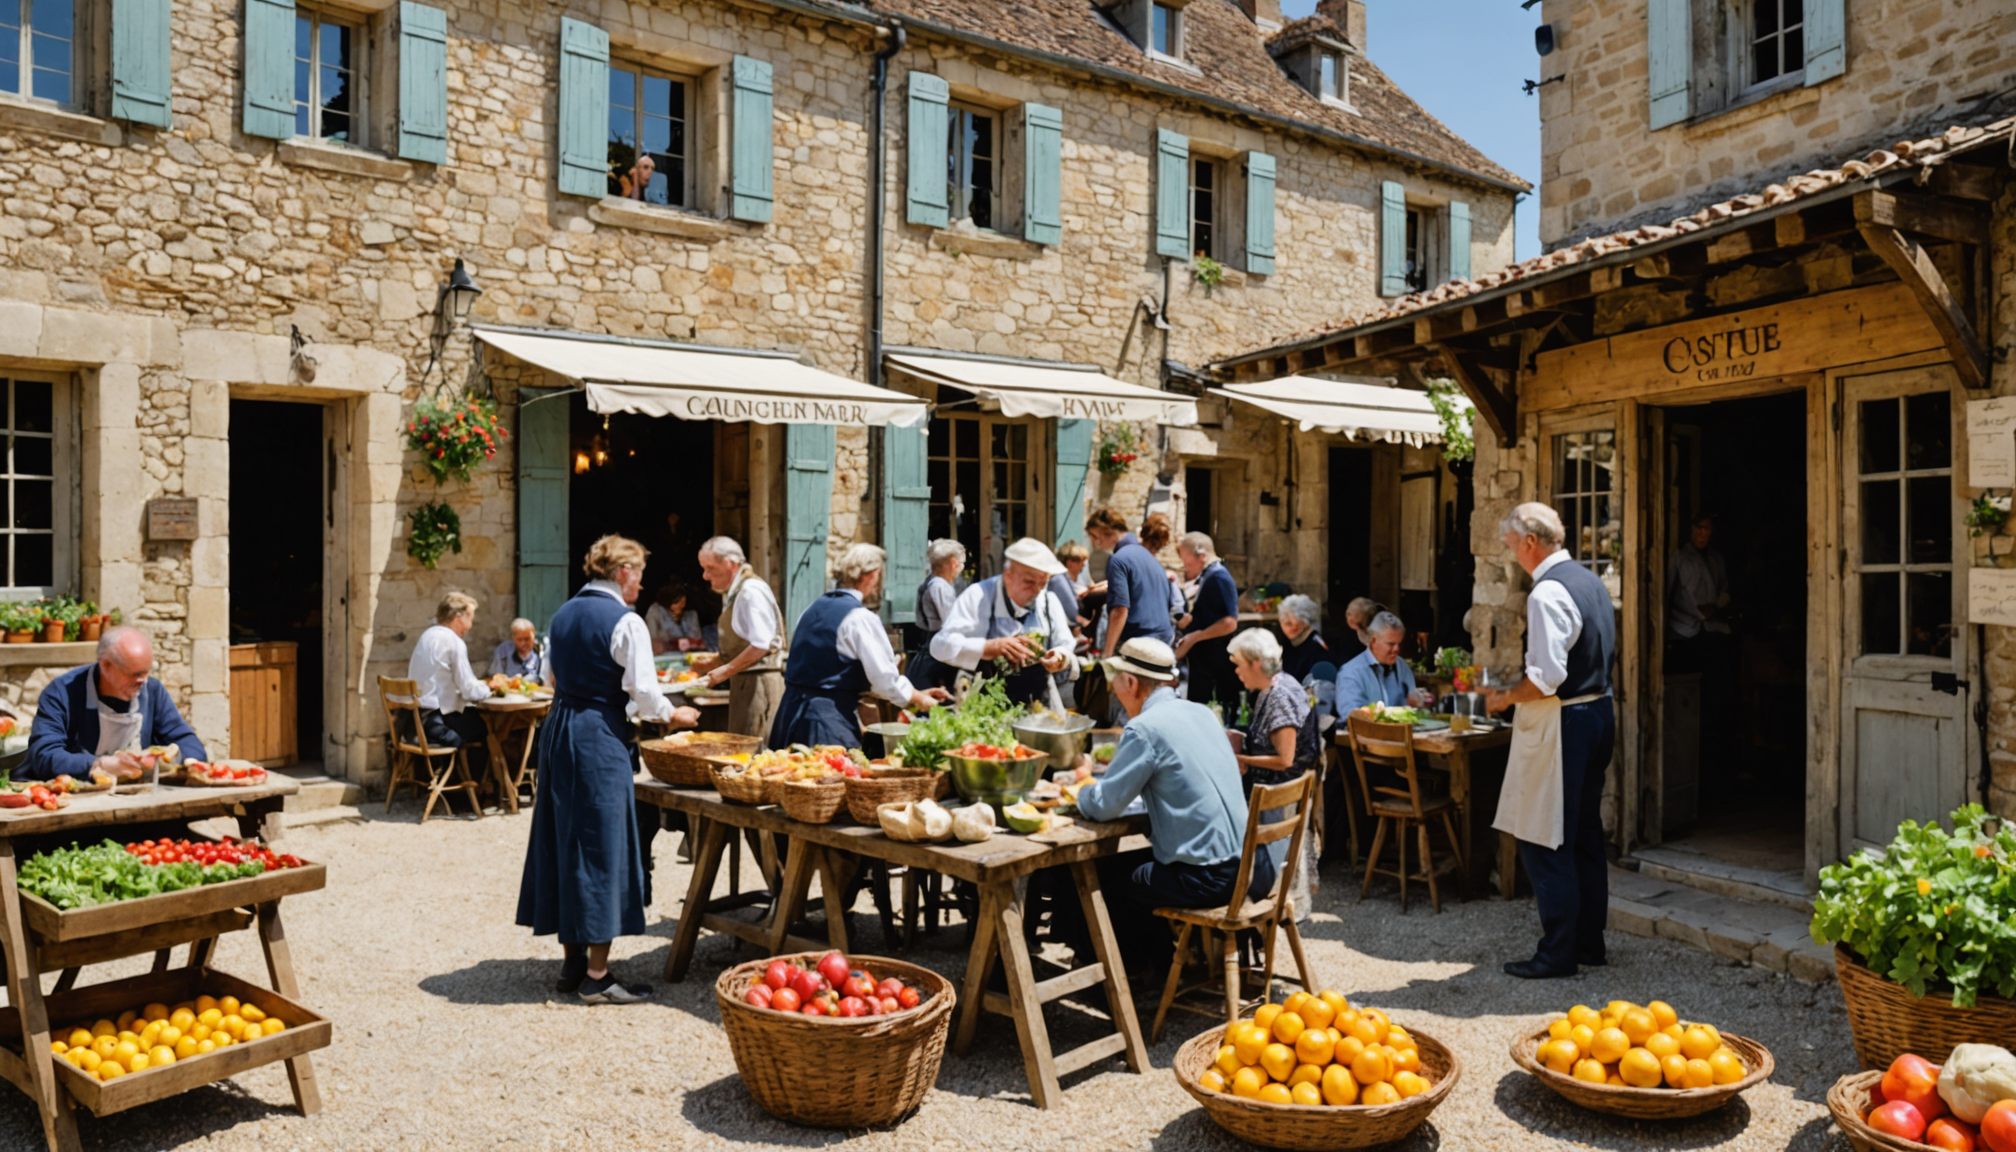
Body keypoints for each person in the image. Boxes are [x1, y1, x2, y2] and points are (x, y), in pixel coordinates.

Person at [518, 535, 698, 1004]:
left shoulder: (562, 614)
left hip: (559, 730)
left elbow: (551, 680)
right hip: (598, 734)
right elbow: (643, 691)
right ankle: (598, 976)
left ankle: (572, 961)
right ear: (621, 572)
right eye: (637, 571)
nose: (640, 580)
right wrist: (674, 715)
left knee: (565, 838)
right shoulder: (625, 621)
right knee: (601, 841)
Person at [1072, 637, 1272, 977]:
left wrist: (1079, 788)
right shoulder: (1203, 713)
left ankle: (1135, 971)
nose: (1113, 687)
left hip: (1212, 879)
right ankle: (1158, 961)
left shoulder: (1144, 728)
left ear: (1131, 682)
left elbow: (1105, 806)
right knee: (1129, 867)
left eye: (1116, 679)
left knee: (1099, 879)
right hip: (1254, 867)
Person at [1484, 502, 1618, 980]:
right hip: (1599, 710)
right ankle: (1589, 942)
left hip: (1565, 720)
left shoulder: (1546, 593)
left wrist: (1503, 699)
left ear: (1530, 543)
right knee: (1583, 833)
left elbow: (1544, 679)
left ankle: (1558, 952)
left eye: (1510, 547)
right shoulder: (1591, 582)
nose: (1512, 557)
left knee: (1545, 836)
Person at [770, 544, 945, 749]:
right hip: (826, 724)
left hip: (789, 717)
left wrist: (917, 692)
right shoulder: (859, 618)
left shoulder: (811, 609)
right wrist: (919, 699)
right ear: (872, 575)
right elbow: (884, 680)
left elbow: (831, 672)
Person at [23, 627, 207, 781]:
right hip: (79, 801)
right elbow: (43, 755)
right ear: (106, 666)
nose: (143, 681)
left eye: (147, 672)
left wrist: (170, 758)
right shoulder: (62, 693)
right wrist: (99, 765)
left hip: (138, 797)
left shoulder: (152, 691)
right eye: (134, 674)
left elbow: (192, 746)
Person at [929, 538, 1077, 708]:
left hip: (1038, 699)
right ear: (1008, 575)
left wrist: (1059, 656)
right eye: (1029, 581)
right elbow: (940, 645)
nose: (1036, 590)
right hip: (987, 701)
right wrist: (989, 647)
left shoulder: (1048, 601)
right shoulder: (978, 596)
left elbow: (1065, 643)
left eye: (1043, 582)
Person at [698, 537, 785, 747]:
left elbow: (762, 643)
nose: (705, 575)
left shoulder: (750, 592)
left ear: (731, 564)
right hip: (746, 683)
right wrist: (712, 664)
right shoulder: (736, 591)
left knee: (754, 749)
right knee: (741, 748)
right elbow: (743, 642)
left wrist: (725, 670)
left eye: (710, 568)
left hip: (760, 686)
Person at [406, 591, 494, 785]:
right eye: (470, 617)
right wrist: (490, 687)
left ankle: (453, 782)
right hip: (438, 724)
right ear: (458, 617)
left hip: (416, 721)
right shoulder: (453, 642)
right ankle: (476, 791)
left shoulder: (427, 635)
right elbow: (470, 689)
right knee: (488, 728)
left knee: (471, 721)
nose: (470, 625)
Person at [1084, 506, 1174, 656]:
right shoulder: (1149, 559)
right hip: (1163, 641)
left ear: (1106, 531)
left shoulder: (1119, 559)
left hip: (1140, 643)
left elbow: (1120, 609)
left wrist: (1108, 652)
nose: (1094, 543)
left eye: (1093, 536)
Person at [1175, 532, 1240, 711]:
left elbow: (1229, 622)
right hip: (1204, 665)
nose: (1184, 567)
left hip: (1214, 666)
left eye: (1187, 562)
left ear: (1201, 556)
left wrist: (1195, 637)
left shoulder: (1219, 577)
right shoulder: (1208, 576)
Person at [1665, 514, 1730, 673]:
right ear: (1692, 530)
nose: (1702, 532)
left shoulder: (1716, 559)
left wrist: (1714, 606)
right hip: (1682, 628)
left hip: (1708, 627)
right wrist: (1696, 610)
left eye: (1706, 528)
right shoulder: (1680, 557)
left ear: (1711, 531)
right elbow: (1667, 591)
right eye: (1699, 528)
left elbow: (1724, 589)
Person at [1336, 611, 1435, 712]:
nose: (1397, 649)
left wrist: (1417, 703)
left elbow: (1413, 708)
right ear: (1374, 641)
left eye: (1399, 644)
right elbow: (1351, 716)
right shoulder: (1351, 673)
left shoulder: (1403, 668)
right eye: (1391, 644)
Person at [904, 538, 964, 693]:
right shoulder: (939, 587)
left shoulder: (935, 583)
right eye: (961, 563)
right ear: (953, 563)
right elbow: (951, 623)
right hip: (937, 648)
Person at [1276, 594, 1332, 684]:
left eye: (1299, 621)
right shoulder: (1288, 643)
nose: (1293, 627)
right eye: (1288, 623)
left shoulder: (1316, 646)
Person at [488, 617, 552, 684]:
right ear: (513, 638)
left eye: (527, 639)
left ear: (534, 635)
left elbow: (545, 678)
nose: (523, 643)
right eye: (519, 640)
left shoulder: (541, 651)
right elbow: (496, 677)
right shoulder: (503, 651)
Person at [645, 584, 704, 654]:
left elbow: (697, 638)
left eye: (683, 602)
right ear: (668, 602)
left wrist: (690, 642)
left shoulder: (691, 615)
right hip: (664, 655)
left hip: (688, 654)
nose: (681, 605)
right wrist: (675, 643)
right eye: (677, 602)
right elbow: (653, 640)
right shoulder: (655, 612)